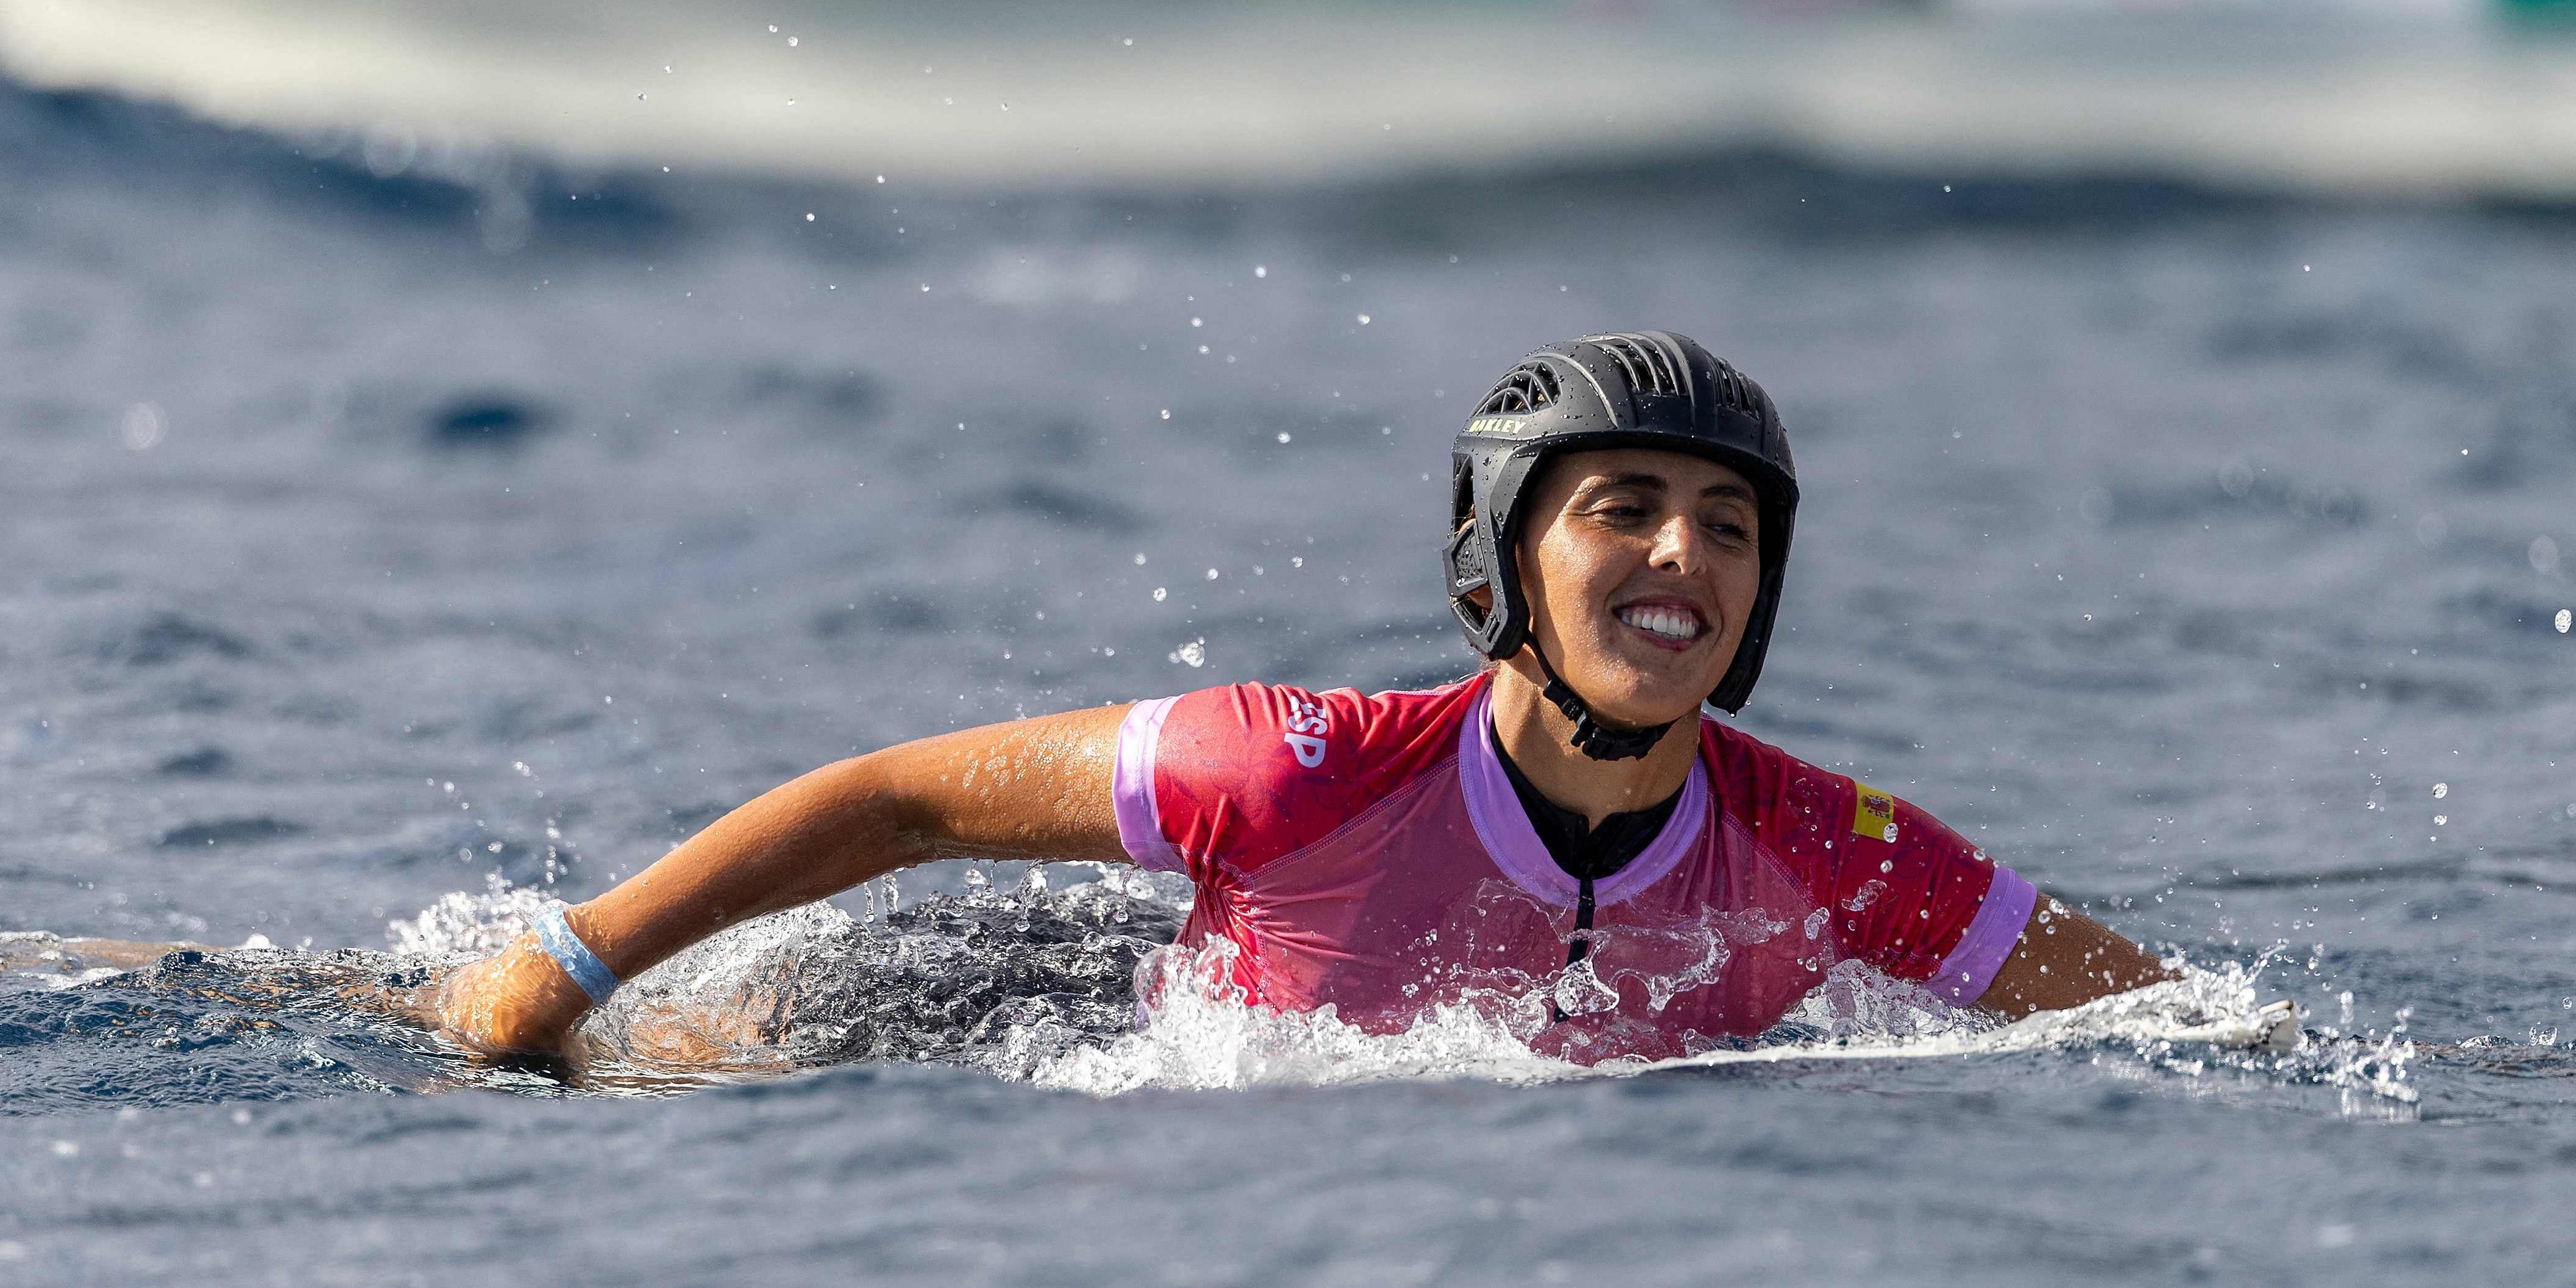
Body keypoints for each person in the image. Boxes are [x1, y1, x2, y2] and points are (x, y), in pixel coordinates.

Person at [418, 333, 2166, 1068]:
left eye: (1726, 527)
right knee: (488, 1033)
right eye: (1621, 509)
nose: (1680, 558)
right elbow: (904, 801)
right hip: (1004, 1025)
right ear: (1502, 562)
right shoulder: (1293, 769)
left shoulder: (1838, 852)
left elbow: (2173, 1022)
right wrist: (567, 965)